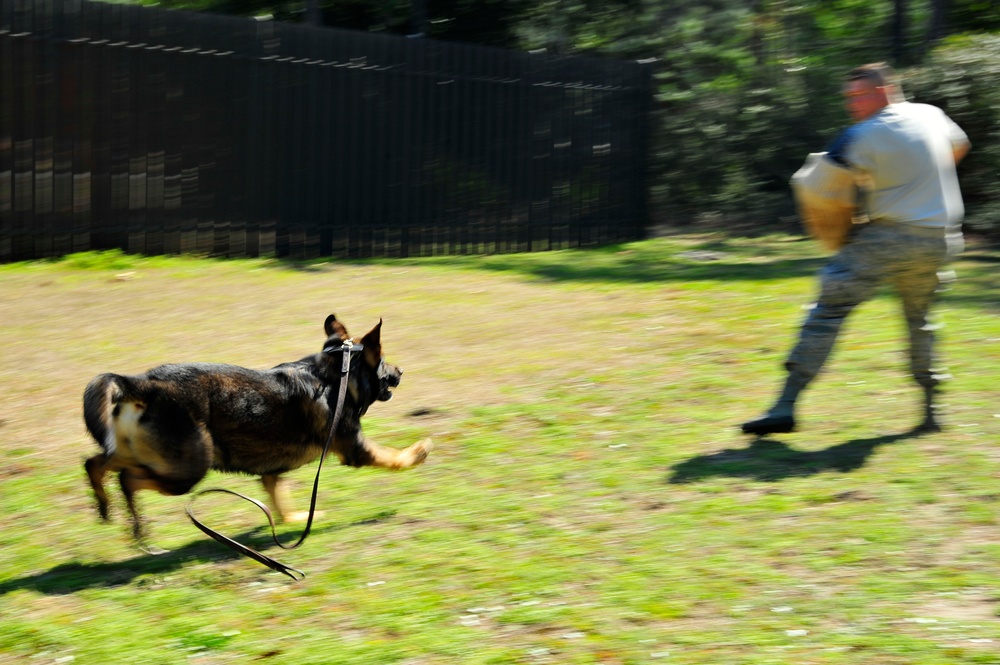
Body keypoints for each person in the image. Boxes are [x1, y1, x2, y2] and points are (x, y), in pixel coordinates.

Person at [741, 62, 971, 436]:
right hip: (941, 239)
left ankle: (784, 406)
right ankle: (931, 411)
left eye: (859, 94)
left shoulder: (859, 135)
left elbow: (817, 187)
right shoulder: (931, 114)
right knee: (921, 319)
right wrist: (918, 179)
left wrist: (842, 226)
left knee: (828, 309)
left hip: (889, 239)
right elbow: (958, 146)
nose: (852, 103)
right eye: (848, 97)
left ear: (883, 91)